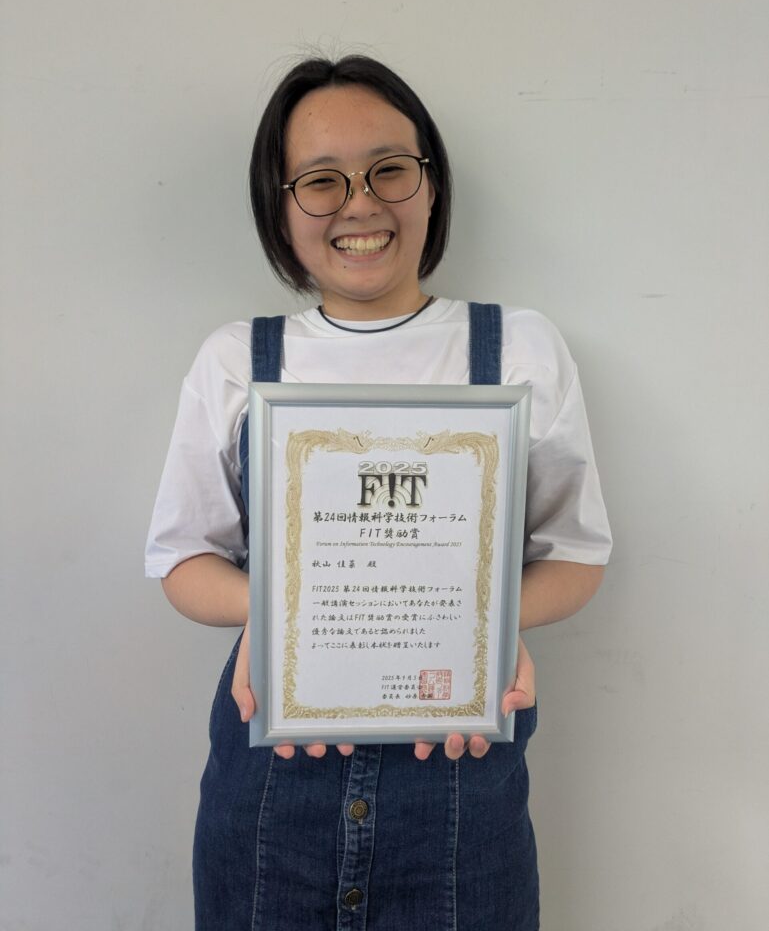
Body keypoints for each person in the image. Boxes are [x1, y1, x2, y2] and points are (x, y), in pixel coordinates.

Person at [145, 55, 612, 930]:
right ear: (280, 208)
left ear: (430, 184)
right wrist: (286, 623)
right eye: (321, 181)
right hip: (273, 789)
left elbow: (575, 558)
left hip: (459, 785)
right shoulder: (235, 361)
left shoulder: (518, 349)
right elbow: (182, 561)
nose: (359, 203)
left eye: (388, 169)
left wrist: (475, 632)